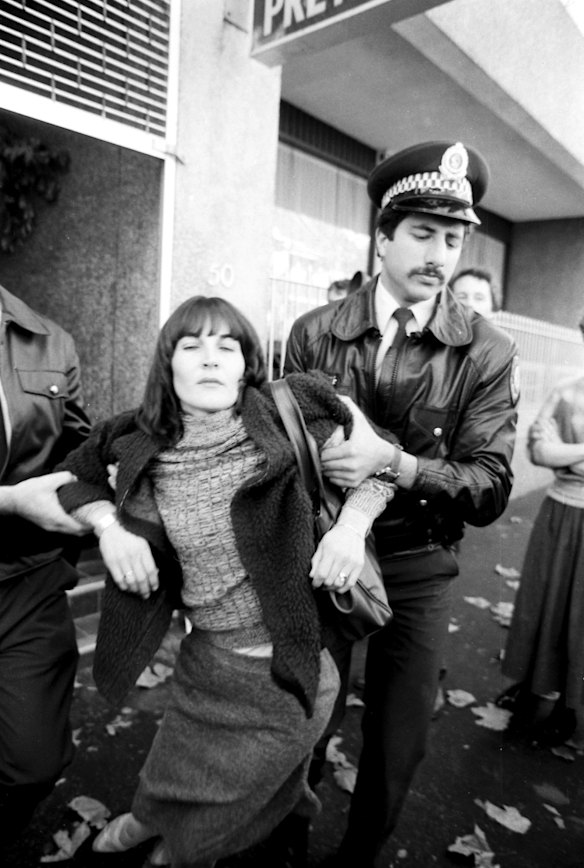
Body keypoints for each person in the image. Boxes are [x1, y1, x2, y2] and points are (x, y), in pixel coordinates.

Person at [54, 295, 394, 868]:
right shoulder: (133, 437)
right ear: (170, 365)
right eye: (192, 345)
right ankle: (138, 826)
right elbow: (73, 481)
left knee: (219, 817)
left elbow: (382, 467)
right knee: (165, 777)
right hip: (204, 665)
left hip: (288, 680)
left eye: (226, 345)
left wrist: (349, 530)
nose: (210, 358)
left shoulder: (295, 410)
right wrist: (109, 526)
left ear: (246, 363)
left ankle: (174, 854)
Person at [284, 140, 519, 867]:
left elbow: (488, 486)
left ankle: (356, 859)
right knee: (302, 722)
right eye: (422, 232)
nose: (439, 253)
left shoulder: (486, 350)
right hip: (322, 553)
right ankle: (283, 843)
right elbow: (286, 456)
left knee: (398, 737)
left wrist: (396, 464)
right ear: (382, 236)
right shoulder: (313, 332)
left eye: (454, 238)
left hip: (418, 561)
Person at [0, 285, 91, 844]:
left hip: (27, 578)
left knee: (32, 763)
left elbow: (79, 453)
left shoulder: (51, 340)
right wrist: (10, 499)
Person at [501, 324, 584, 749]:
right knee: (542, 599)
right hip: (559, 510)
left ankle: (572, 706)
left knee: (579, 613)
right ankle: (532, 683)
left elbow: (556, 452)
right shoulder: (566, 390)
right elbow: (538, 451)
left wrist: (566, 453)